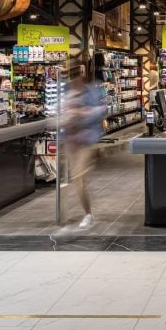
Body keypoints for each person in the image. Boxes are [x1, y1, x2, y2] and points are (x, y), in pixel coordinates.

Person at [60, 64, 106, 232]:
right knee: (77, 179)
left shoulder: (92, 89)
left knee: (78, 178)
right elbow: (61, 113)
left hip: (86, 139)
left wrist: (83, 113)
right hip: (70, 140)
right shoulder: (65, 90)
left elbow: (102, 109)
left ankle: (88, 214)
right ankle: (86, 213)